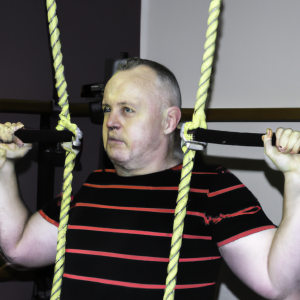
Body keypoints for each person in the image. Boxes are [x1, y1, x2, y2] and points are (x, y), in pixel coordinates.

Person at [0, 58, 300, 300]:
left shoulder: (211, 187)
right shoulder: (94, 184)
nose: (111, 122)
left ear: (169, 121)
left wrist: (296, 177)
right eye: (107, 109)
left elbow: (279, 285)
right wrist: (3, 166)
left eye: (127, 110)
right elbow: (18, 249)